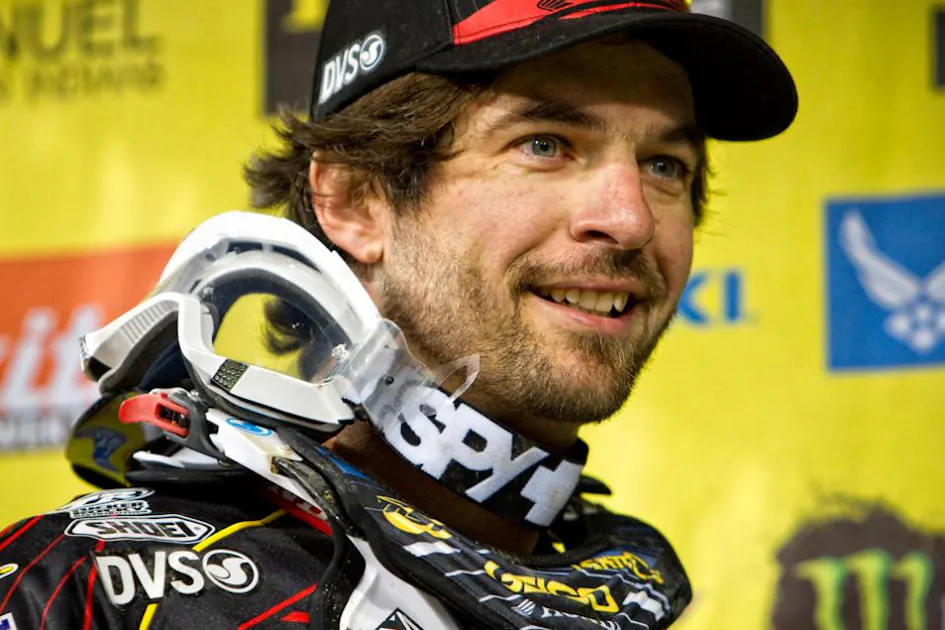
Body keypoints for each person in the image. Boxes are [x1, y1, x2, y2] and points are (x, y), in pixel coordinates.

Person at [0, 0, 797, 628]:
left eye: (664, 165)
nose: (628, 218)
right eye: (544, 144)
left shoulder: (623, 597)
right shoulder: (85, 593)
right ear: (354, 200)